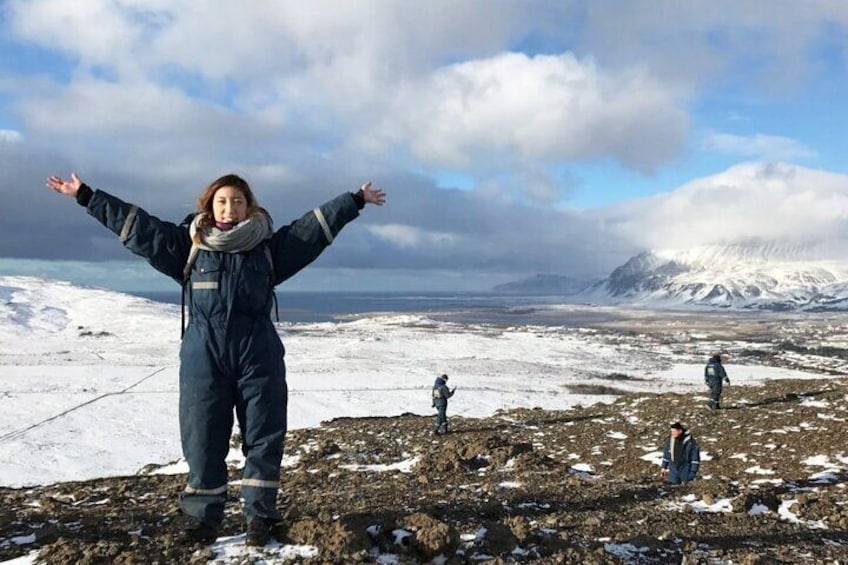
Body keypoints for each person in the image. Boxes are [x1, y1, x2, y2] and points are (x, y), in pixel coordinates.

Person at [46, 172, 385, 546]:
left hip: (259, 355)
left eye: (237, 201)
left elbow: (312, 229)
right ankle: (202, 519)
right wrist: (86, 195)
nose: (230, 208)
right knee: (202, 438)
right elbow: (138, 227)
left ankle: (260, 518)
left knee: (264, 436)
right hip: (203, 357)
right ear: (209, 205)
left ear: (249, 206)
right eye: (222, 201)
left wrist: (355, 200)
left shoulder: (268, 249)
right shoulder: (187, 246)